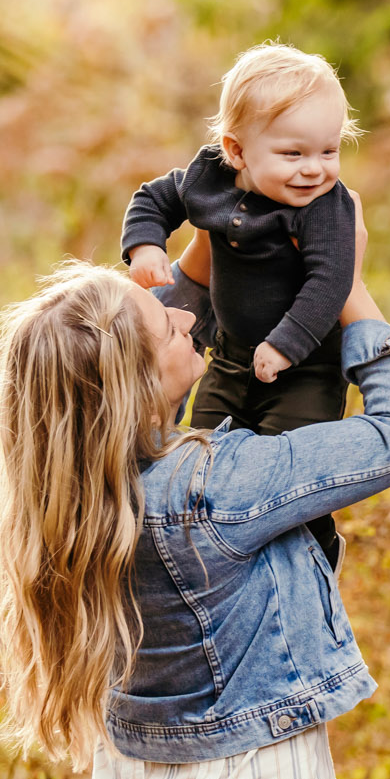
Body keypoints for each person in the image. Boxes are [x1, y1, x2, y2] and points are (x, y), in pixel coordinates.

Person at [0, 200, 390, 779]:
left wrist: (232, 209)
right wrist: (348, 288)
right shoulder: (214, 487)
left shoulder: (80, 492)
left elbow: (150, 330)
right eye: (165, 328)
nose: (185, 323)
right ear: (133, 383)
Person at [122, 41, 361, 566]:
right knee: (202, 450)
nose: (314, 170)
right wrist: (146, 245)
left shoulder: (325, 207)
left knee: (288, 464)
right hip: (230, 357)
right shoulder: (210, 176)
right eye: (293, 154)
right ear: (236, 151)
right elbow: (154, 198)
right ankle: (217, 556)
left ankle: (315, 553)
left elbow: (330, 281)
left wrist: (287, 344)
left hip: (306, 364)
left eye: (329, 151)